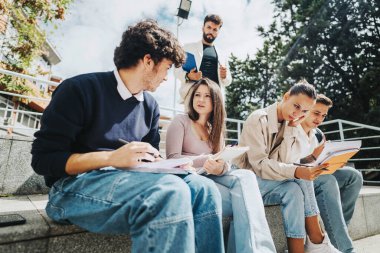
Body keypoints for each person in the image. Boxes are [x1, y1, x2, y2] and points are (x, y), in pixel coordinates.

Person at [31, 20, 225, 253]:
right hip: (71, 188)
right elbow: (43, 160)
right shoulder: (79, 89)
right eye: (166, 67)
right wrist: (111, 159)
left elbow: (151, 162)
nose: (166, 77)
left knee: (205, 189)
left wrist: (174, 166)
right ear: (148, 61)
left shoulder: (150, 106)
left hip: (130, 180)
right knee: (170, 193)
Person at [165, 77, 276, 253]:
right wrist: (206, 159)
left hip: (214, 177)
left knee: (246, 177)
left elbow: (225, 162)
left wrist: (220, 167)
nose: (200, 100)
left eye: (207, 96)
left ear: (215, 100)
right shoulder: (180, 121)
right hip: (192, 179)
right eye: (197, 95)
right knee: (244, 201)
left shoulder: (214, 129)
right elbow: (172, 159)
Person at [234, 80, 341, 253]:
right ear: (285, 97)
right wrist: (297, 171)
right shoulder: (258, 119)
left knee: (294, 190)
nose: (298, 113)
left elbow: (285, 161)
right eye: (296, 106)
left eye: (304, 111)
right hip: (249, 182)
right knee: (299, 177)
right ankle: (316, 239)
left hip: (269, 182)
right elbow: (260, 165)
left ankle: (298, 249)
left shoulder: (290, 123)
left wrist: (291, 129)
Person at [296, 94, 362, 253]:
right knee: (328, 181)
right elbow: (289, 162)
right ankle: (344, 248)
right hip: (300, 177)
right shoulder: (292, 128)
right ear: (306, 109)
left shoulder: (318, 134)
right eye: (316, 113)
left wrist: (336, 160)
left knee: (354, 177)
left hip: (318, 172)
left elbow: (321, 159)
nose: (320, 118)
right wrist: (312, 158)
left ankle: (339, 233)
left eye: (324, 115)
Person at [174, 14, 232, 105]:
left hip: (215, 99)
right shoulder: (187, 48)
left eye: (215, 29)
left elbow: (228, 81)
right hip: (193, 97)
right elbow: (177, 71)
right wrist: (188, 76)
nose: (211, 31)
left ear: (218, 32)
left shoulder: (222, 54)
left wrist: (224, 76)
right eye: (208, 27)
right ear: (203, 28)